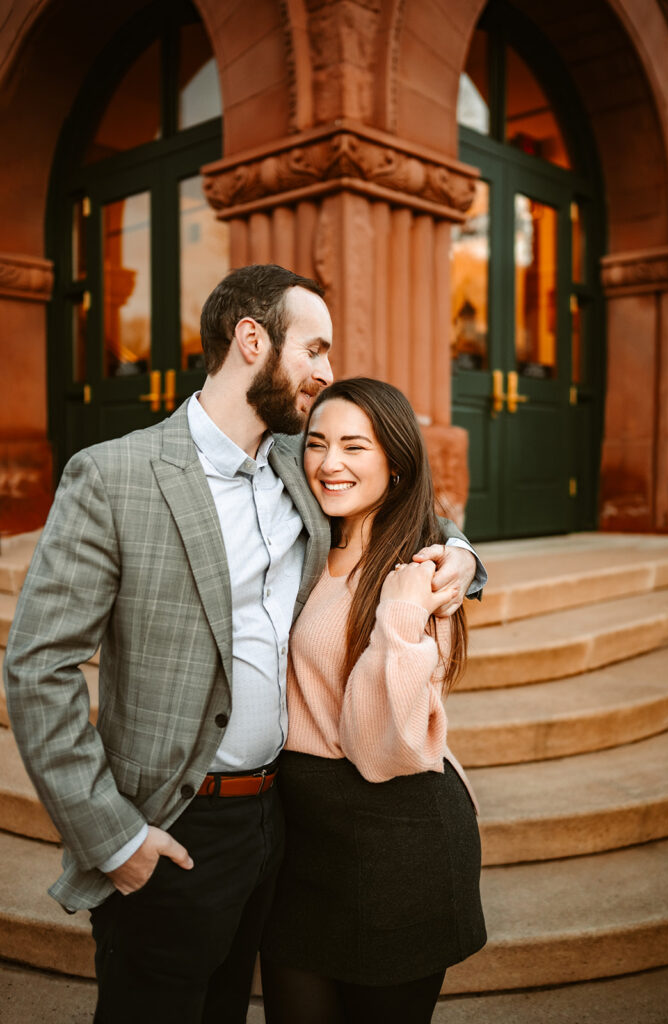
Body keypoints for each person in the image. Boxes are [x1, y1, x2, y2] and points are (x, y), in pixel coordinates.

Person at [4, 265, 485, 1024]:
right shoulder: (114, 475)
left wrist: (462, 558)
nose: (325, 373)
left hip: (283, 824)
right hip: (174, 820)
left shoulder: (302, 464)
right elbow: (38, 668)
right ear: (251, 340)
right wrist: (111, 834)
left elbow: (401, 493)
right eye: (314, 349)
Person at [260, 377, 487, 1024]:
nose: (330, 463)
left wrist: (401, 614)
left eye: (355, 447)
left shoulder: (420, 577)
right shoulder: (298, 549)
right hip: (301, 833)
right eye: (318, 443)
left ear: (394, 464)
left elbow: (376, 742)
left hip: (396, 836)